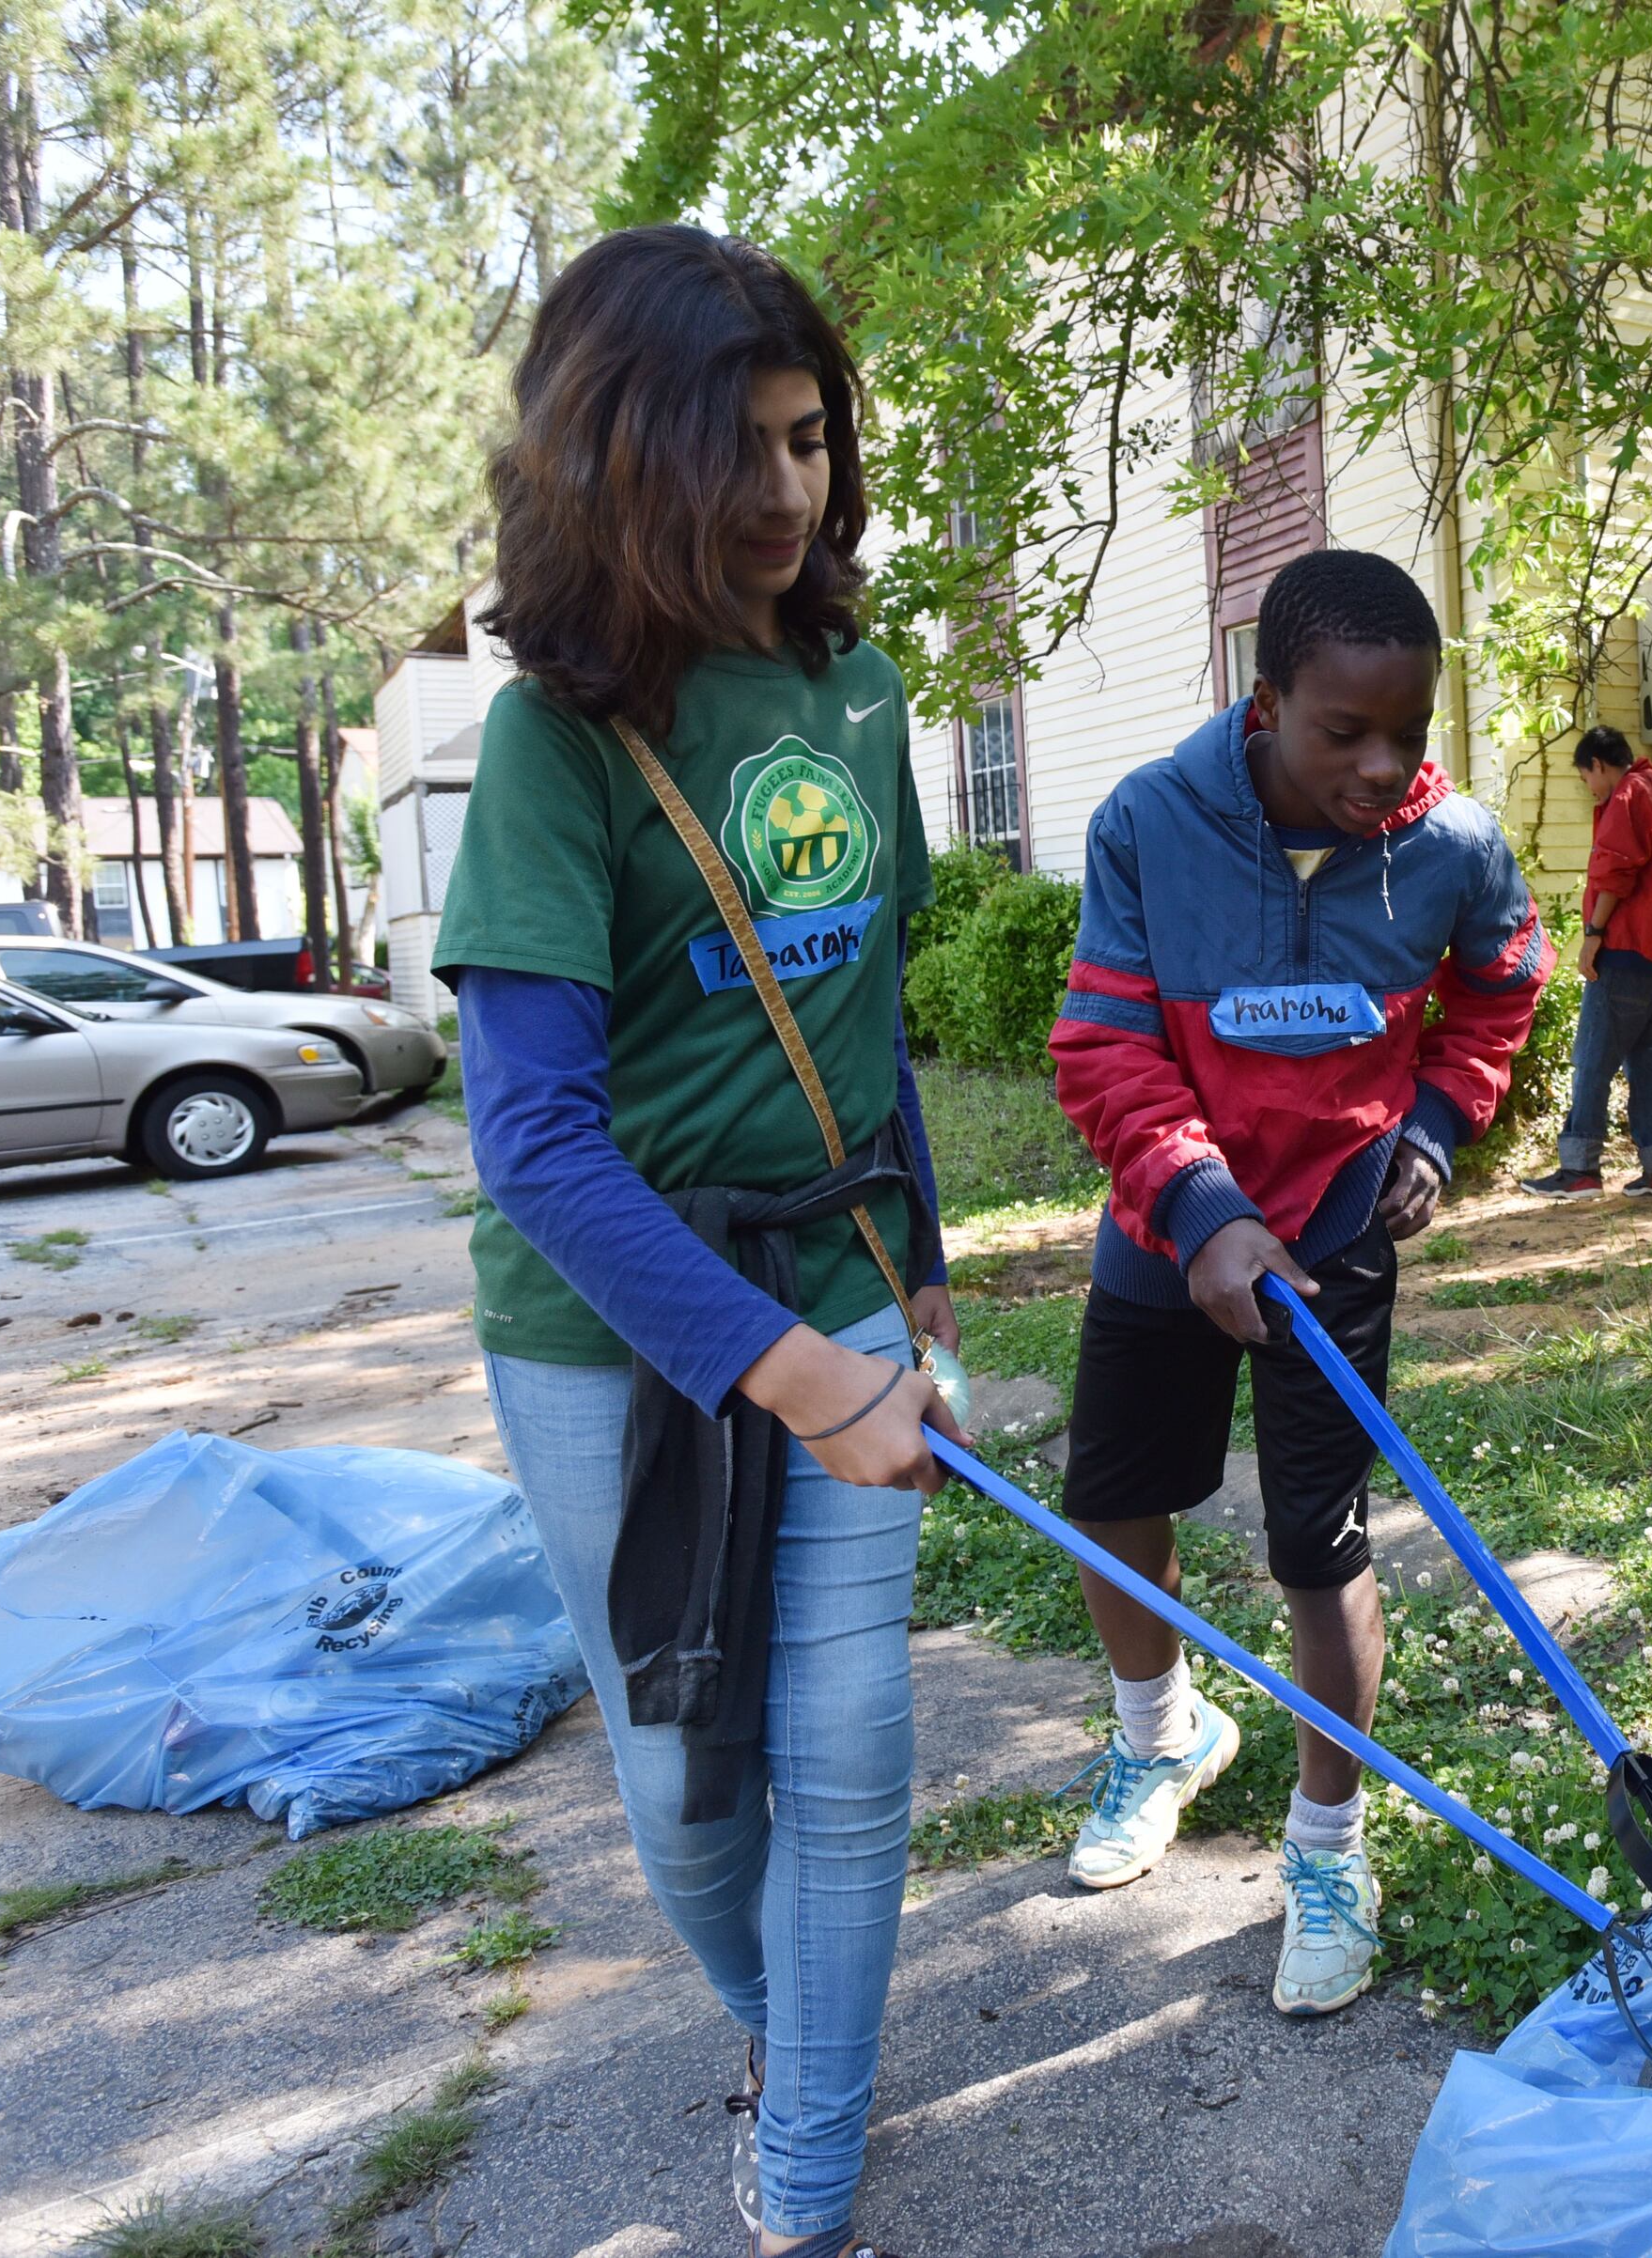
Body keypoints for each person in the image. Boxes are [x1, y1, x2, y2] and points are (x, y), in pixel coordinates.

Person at [440, 226, 953, 2258]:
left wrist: (909, 1264)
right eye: (732, 450)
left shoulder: (860, 681)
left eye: (811, 438)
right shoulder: (548, 743)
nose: (784, 494)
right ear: (615, 462)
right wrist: (796, 1374)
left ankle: (808, 2163)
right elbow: (534, 1145)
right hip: (608, 1334)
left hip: (837, 1280)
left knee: (846, 1746)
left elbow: (866, 1008)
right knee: (687, 1792)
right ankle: (782, 2028)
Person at [1045, 548, 1545, 2017]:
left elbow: (1501, 990)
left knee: (1320, 1549)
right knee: (1114, 1500)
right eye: (1346, 732)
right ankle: (1160, 1733)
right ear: (1263, 703)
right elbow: (1107, 1044)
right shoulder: (1146, 819)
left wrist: (1442, 1127)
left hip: (1332, 1240)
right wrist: (1197, 1209)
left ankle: (1330, 1841)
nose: (1384, 765)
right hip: (1166, 1226)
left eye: (1410, 728)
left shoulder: (1451, 842)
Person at [1520, 724, 1652, 1200]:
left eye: (1586, 776)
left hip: (1627, 954)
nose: (1588, 787)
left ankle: (1580, 1170)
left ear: (1599, 765)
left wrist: (1593, 935)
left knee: (1592, 1058)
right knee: (1646, 1059)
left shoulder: (1628, 796)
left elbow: (1615, 871)